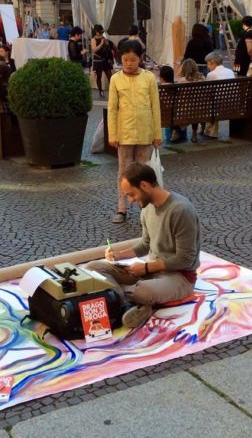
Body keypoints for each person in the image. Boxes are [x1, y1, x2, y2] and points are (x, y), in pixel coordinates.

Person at [86, 162, 200, 328]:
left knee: (141, 291)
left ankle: (120, 298)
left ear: (144, 185)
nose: (131, 201)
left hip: (179, 277)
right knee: (93, 267)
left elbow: (185, 259)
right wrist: (119, 255)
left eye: (131, 194)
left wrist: (146, 268)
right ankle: (126, 305)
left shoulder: (181, 210)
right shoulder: (146, 209)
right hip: (150, 271)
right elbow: (146, 243)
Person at [107, 40, 161, 224]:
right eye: (125, 59)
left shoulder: (149, 78)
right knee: (124, 171)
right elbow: (112, 109)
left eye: (133, 59)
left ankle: (145, 208)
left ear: (140, 59)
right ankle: (122, 208)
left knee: (144, 171)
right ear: (120, 58)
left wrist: (157, 133)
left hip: (145, 132)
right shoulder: (115, 79)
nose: (129, 63)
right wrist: (112, 134)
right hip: (124, 134)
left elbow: (156, 107)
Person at [91, 24, 114, 99]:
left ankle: (113, 91)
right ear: (96, 32)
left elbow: (109, 48)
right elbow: (94, 50)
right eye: (100, 32)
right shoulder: (93, 39)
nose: (101, 33)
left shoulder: (104, 38)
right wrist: (101, 44)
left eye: (102, 32)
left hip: (105, 60)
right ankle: (100, 91)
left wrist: (107, 44)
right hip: (98, 60)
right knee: (99, 76)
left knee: (110, 76)